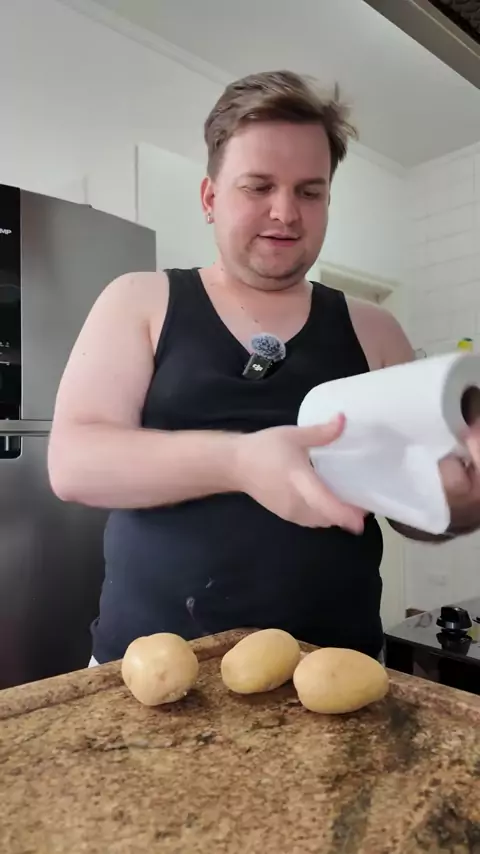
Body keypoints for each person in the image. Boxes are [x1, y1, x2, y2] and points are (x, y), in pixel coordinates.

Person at [48, 70, 480, 666]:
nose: (286, 212)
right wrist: (241, 462)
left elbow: (418, 512)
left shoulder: (375, 329)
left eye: (309, 192)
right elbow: (73, 463)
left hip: (335, 670)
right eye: (259, 186)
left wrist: (463, 498)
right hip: (149, 672)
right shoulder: (139, 300)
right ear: (210, 198)